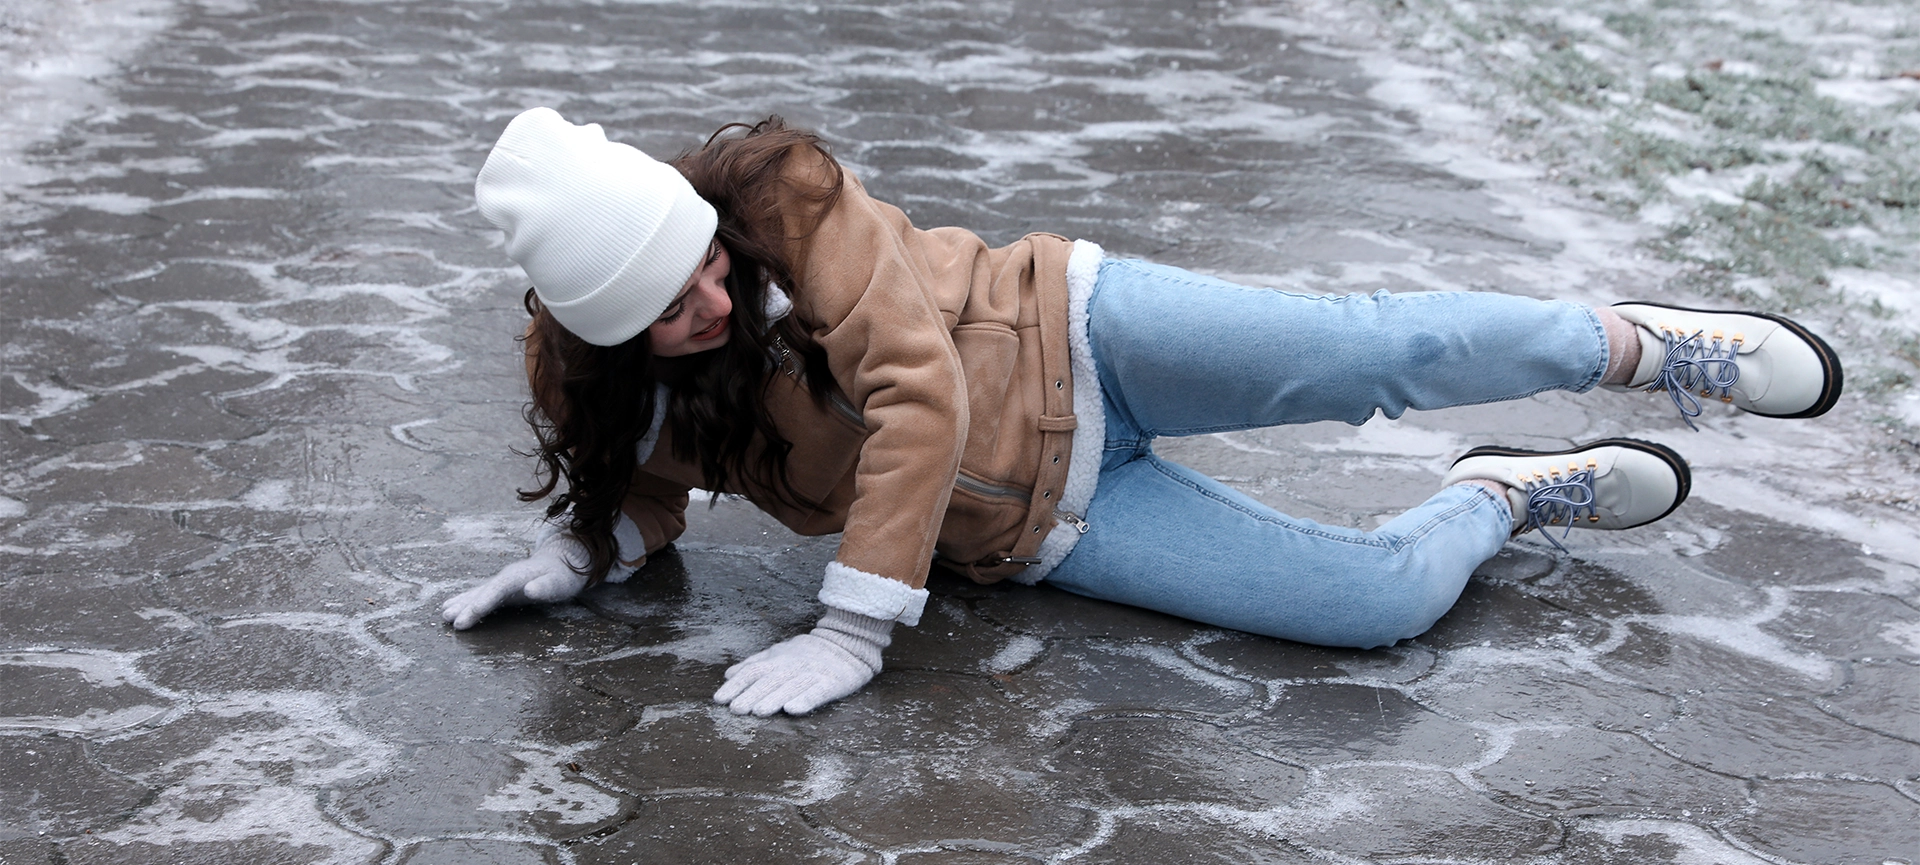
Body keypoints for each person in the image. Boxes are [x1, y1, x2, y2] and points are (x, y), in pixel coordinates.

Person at [443, 107, 1843, 717]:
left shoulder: (784, 198)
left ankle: (1634, 346)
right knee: (1365, 613)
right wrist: (585, 552)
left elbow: (919, 392)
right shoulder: (592, 371)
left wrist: (856, 623)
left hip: (1079, 329)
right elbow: (643, 487)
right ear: (598, 327)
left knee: (1355, 356)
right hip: (1038, 523)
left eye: (693, 253)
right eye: (660, 304)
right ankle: (1504, 494)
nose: (701, 293)